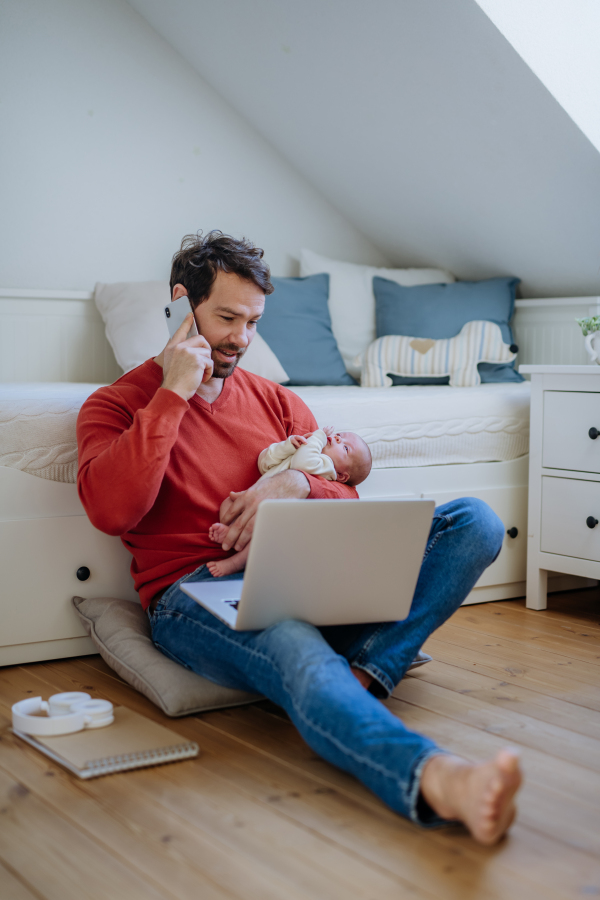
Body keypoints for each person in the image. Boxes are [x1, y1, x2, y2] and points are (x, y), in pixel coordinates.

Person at [77, 230, 522, 845]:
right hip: (195, 593)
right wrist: (173, 392)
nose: (241, 338)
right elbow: (112, 508)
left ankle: (362, 676)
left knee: (475, 521)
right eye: (227, 317)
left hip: (301, 573)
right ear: (182, 304)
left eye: (254, 321)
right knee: (291, 640)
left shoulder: (277, 402)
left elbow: (344, 499)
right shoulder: (115, 405)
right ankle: (434, 777)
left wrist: (295, 486)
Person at [206, 425, 372, 576]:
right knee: (229, 502)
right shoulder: (307, 451)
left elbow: (302, 464)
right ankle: (233, 533)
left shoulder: (327, 467)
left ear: (342, 476)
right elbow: (264, 463)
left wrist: (318, 437)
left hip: (278, 518)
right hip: (255, 502)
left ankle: (235, 563)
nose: (337, 439)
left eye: (345, 447)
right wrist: (287, 446)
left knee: (266, 535)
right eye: (339, 435)